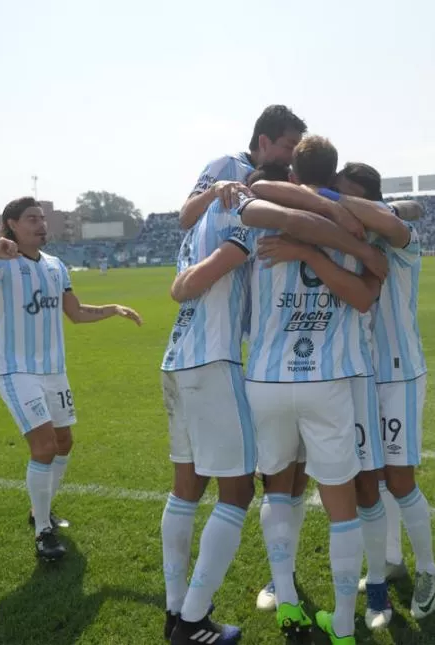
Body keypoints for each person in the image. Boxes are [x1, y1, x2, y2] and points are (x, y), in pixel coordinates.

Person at [166, 158, 385, 644]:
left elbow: (277, 216)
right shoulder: (354, 223)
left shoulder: (258, 215)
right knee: (340, 504)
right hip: (329, 378)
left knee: (276, 492)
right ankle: (346, 624)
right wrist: (355, 248)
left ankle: (287, 599)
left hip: (266, 380)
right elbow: (371, 281)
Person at [0, 196, 142, 561]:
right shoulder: (0, 265)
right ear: (12, 224)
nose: (42, 224)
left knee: (64, 442)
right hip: (17, 370)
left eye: (43, 218)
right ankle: (43, 530)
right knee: (45, 446)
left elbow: (76, 313)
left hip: (54, 371)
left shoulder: (55, 266)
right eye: (32, 218)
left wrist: (113, 309)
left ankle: (39, 509)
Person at [333, 162, 435, 619]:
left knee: (400, 479)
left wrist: (336, 201)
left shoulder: (401, 237)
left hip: (400, 375)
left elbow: (403, 214)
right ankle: (392, 561)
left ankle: (429, 570)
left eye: (346, 195)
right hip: (365, 375)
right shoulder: (355, 241)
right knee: (374, 480)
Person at [177, 105, 307, 232]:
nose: (294, 156)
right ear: (264, 142)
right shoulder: (226, 165)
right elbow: (185, 218)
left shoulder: (288, 178)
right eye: (289, 147)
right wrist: (213, 191)